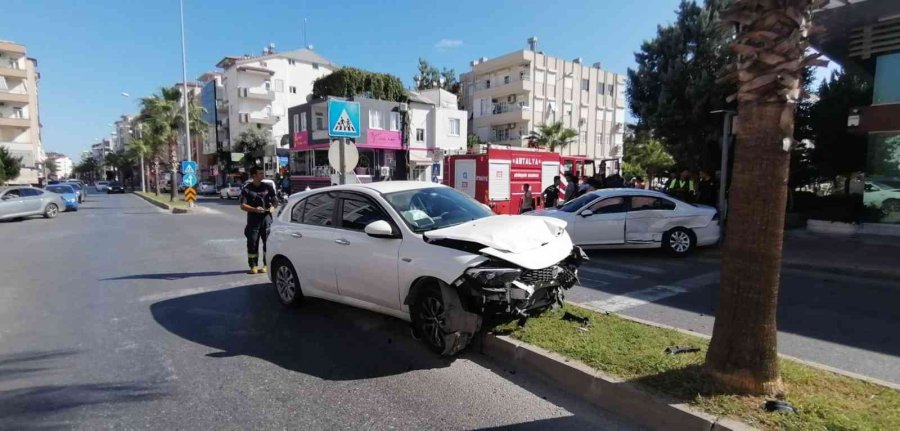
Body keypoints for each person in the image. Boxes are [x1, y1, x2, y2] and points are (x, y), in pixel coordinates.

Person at [240, 167, 278, 275]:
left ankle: (266, 265)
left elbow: (275, 201)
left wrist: (273, 208)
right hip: (253, 219)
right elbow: (242, 205)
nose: (263, 175)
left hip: (266, 218)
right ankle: (253, 266)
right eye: (260, 173)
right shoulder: (247, 189)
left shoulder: (268, 187)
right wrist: (255, 210)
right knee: (252, 242)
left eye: (263, 173)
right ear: (254, 175)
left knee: (268, 243)